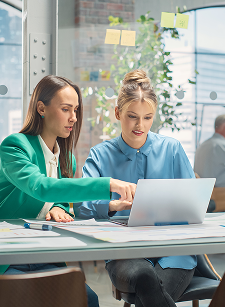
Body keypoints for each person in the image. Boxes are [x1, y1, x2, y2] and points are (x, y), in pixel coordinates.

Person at [0, 75, 136, 307]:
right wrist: (108, 185)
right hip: (6, 259)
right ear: (41, 108)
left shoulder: (66, 159)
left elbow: (60, 200)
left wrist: (58, 206)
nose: (73, 117)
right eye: (66, 109)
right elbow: (41, 187)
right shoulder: (15, 146)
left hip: (43, 255)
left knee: (88, 299)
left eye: (75, 110)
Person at [77, 69, 196, 307]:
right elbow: (81, 209)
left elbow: (193, 204)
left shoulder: (172, 150)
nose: (140, 125)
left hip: (174, 251)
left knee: (149, 296)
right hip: (125, 253)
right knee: (145, 279)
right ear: (118, 113)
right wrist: (111, 206)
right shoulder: (100, 156)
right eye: (132, 116)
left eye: (148, 117)